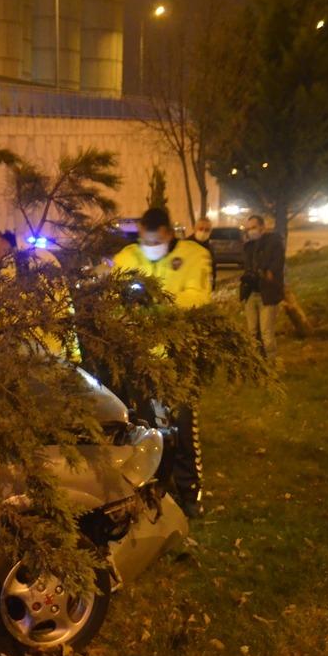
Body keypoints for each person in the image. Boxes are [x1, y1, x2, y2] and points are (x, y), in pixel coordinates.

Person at [112, 207, 212, 519]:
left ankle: (189, 491)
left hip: (178, 355)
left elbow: (198, 298)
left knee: (182, 427)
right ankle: (155, 488)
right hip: (140, 356)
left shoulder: (193, 256)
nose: (149, 244)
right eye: (144, 238)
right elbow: (113, 302)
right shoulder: (128, 257)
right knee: (147, 428)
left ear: (169, 233)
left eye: (155, 239)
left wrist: (156, 303)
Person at [0, 212, 76, 360]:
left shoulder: (37, 260)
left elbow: (62, 313)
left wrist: (70, 360)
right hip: (8, 367)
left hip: (46, 362)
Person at [239, 214, 284, 360]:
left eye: (254, 227)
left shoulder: (274, 243)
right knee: (252, 332)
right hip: (251, 293)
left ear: (262, 227)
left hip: (267, 294)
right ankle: (257, 365)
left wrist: (265, 272)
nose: (251, 231)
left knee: (266, 333)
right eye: (248, 228)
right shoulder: (248, 246)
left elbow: (274, 267)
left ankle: (272, 365)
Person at [191, 216, 216, 289]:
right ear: (195, 229)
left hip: (204, 288)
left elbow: (212, 267)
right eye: (201, 229)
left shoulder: (209, 247)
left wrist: (213, 285)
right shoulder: (186, 245)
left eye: (207, 230)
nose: (203, 232)